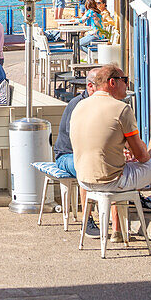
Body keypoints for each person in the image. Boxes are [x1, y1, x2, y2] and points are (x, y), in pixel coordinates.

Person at [71, 64, 151, 237]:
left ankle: (119, 230)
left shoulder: (80, 106)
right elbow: (142, 156)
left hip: (84, 180)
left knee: (124, 165)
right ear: (112, 82)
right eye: (124, 80)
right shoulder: (121, 108)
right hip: (112, 180)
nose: (128, 85)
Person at [52, 79, 98, 238]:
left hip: (89, 154)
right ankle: (86, 220)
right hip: (66, 155)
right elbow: (76, 137)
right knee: (86, 166)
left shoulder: (100, 104)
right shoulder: (77, 104)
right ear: (90, 86)